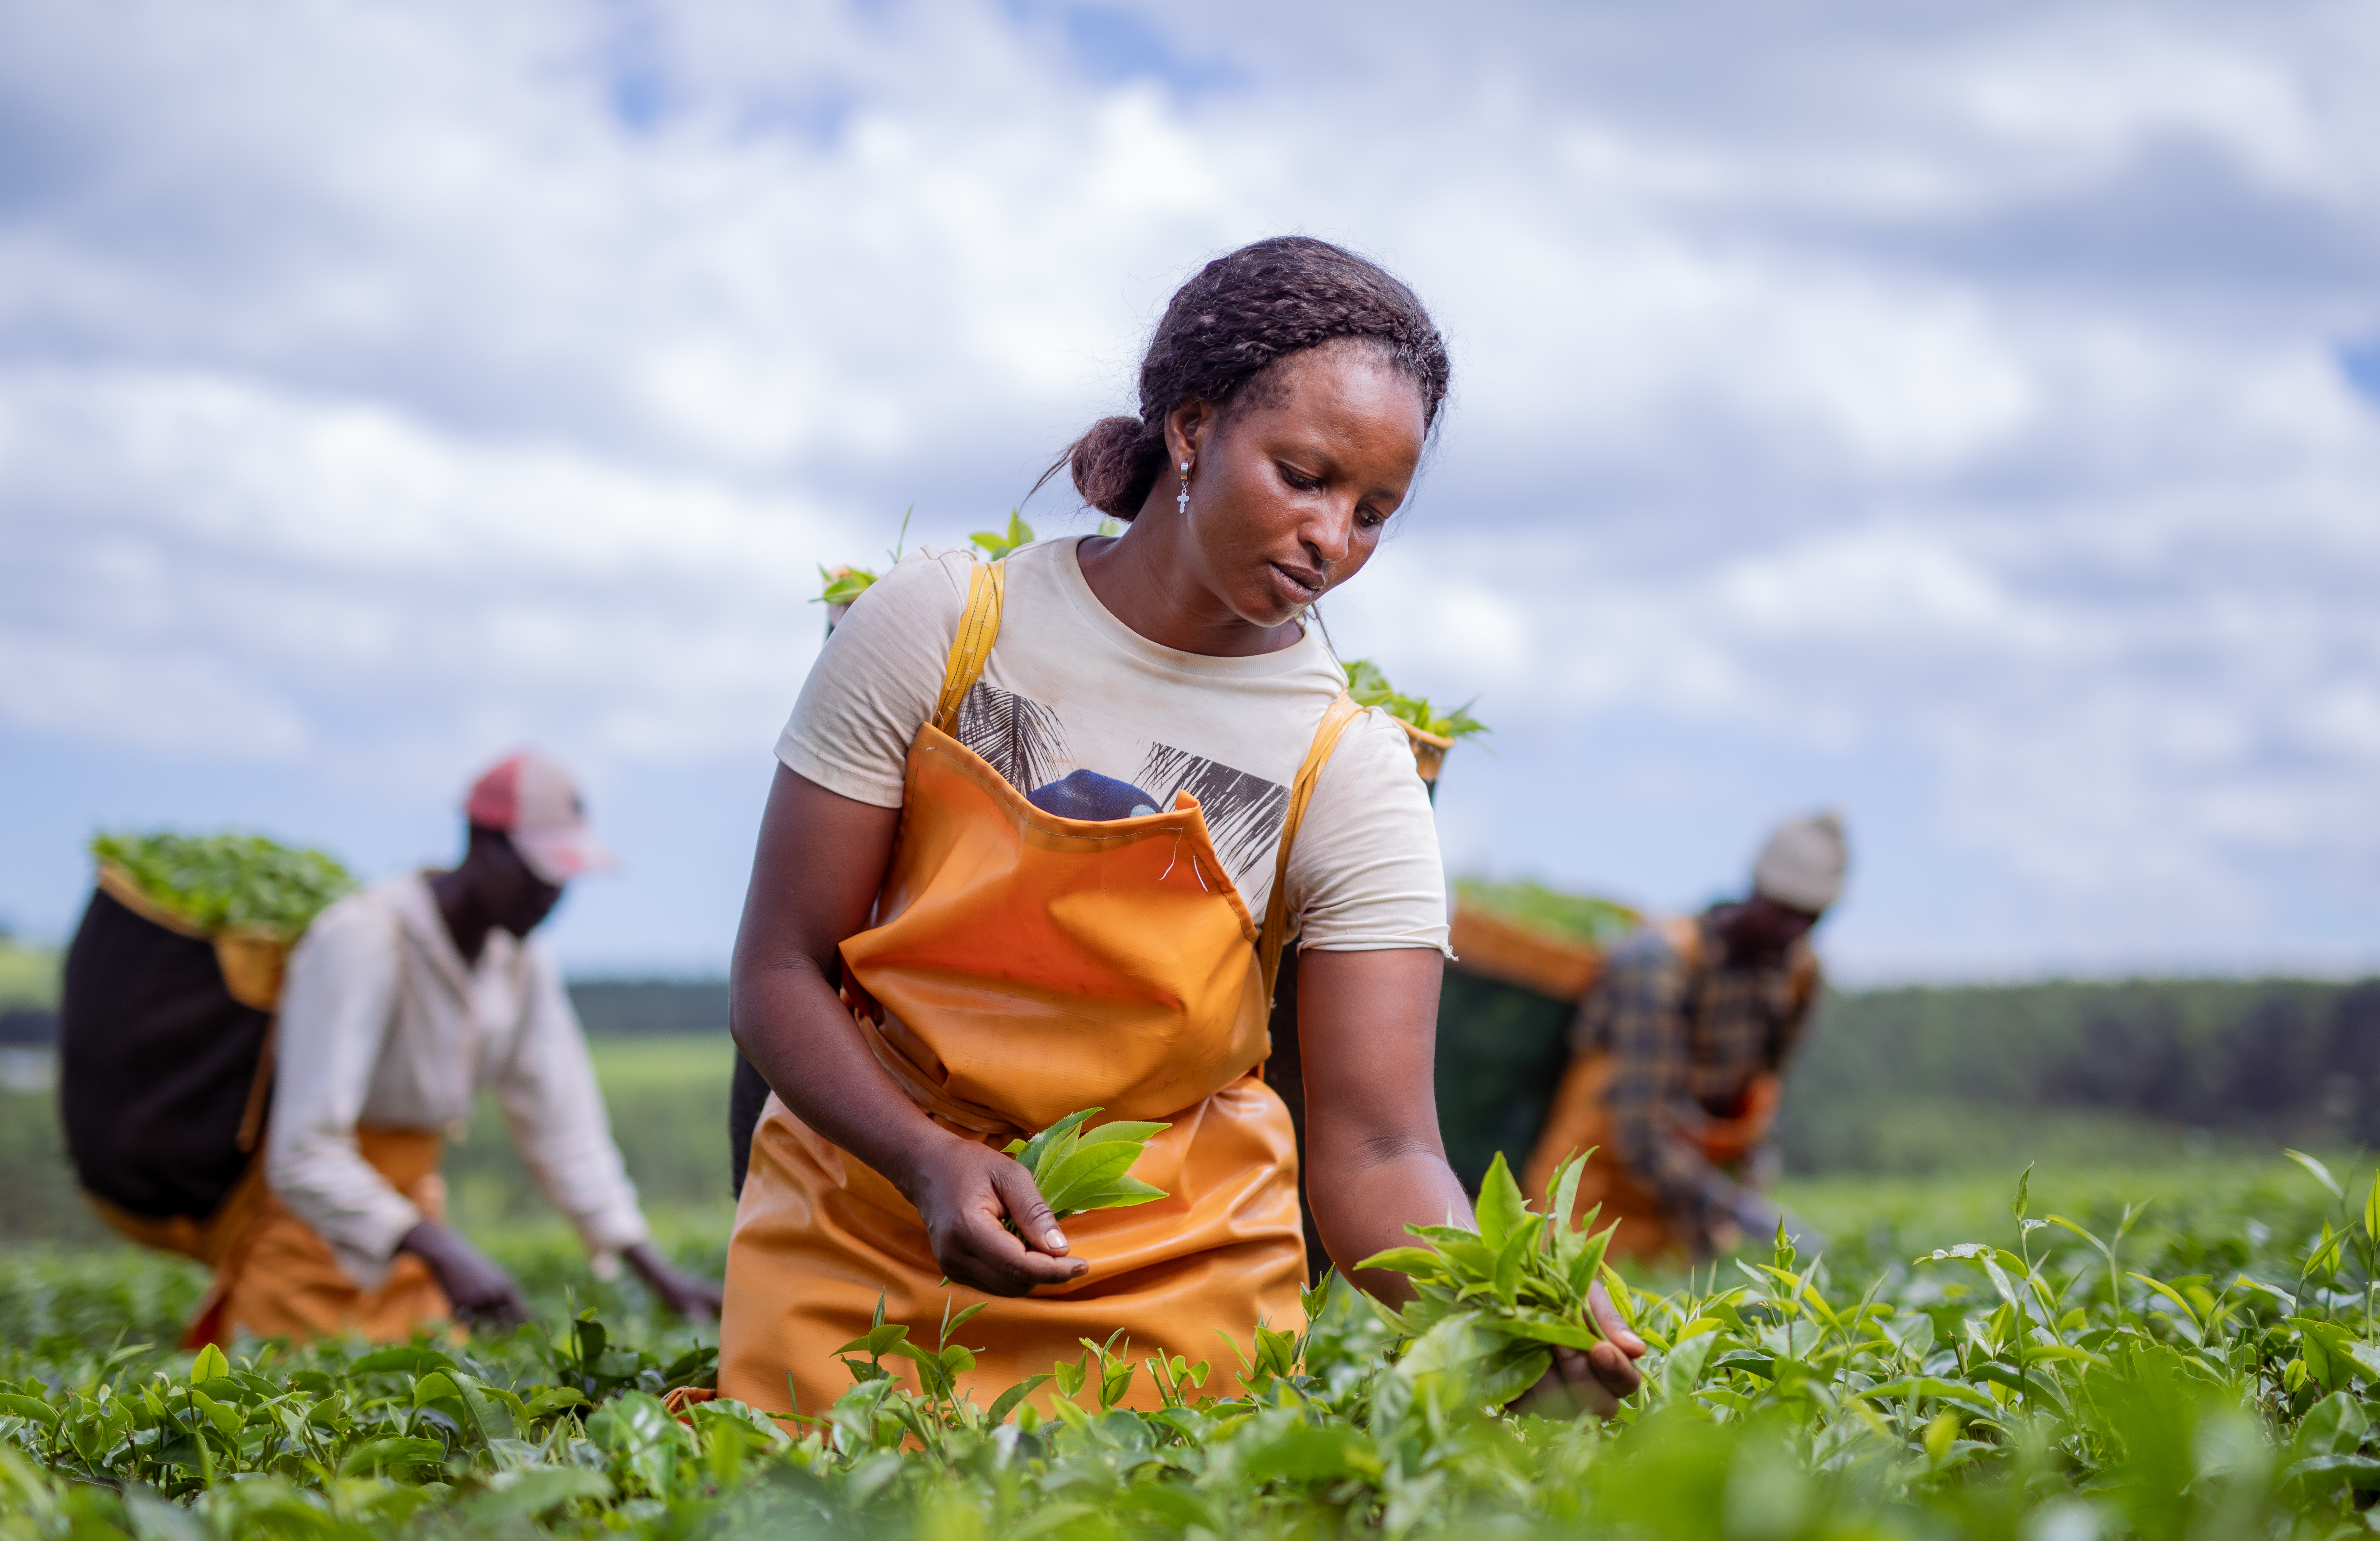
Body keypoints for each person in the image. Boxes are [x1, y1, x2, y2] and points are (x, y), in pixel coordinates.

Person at [721, 237, 1644, 1418]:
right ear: (1194, 428)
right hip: (864, 1235)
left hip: (1168, 1291)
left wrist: (1504, 1299)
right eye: (1303, 475)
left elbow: (1376, 1152)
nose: (1333, 538)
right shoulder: (943, 626)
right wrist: (924, 1157)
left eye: (1373, 511)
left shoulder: (1348, 766)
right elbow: (779, 970)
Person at [186, 751, 725, 1345]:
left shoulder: (518, 960)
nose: (549, 895)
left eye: (563, 876)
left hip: (413, 1246)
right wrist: (441, 1250)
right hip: (310, 1248)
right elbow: (302, 1154)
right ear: (478, 841)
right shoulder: (364, 938)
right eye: (535, 870)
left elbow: (563, 1126)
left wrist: (654, 1272)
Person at [1522, 813, 1848, 1266]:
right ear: (1757, 890)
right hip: (1590, 1195)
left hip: (1678, 1213)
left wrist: (1749, 1181)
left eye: (1810, 918)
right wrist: (1738, 1210)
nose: (1794, 932)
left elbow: (1763, 1092)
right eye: (1784, 912)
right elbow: (1639, 1134)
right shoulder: (1657, 962)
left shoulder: (1797, 974)